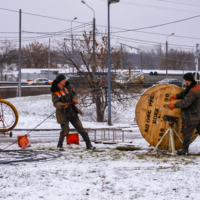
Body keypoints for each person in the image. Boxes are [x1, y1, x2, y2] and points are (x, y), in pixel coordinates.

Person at [50, 74, 96, 151]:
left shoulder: (67, 87)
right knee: (65, 131)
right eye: (63, 80)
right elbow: (55, 103)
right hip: (63, 114)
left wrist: (74, 99)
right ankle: (59, 145)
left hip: (72, 112)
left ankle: (89, 145)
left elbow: (74, 94)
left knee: (81, 130)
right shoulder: (55, 91)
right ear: (59, 81)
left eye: (65, 79)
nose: (65, 81)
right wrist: (62, 105)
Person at [168, 73, 200, 155]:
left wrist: (174, 105)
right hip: (197, 113)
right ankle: (184, 150)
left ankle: (184, 150)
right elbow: (185, 93)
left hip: (193, 115)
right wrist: (176, 96)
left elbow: (185, 102)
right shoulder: (193, 86)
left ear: (187, 81)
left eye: (184, 80)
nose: (183, 81)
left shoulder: (193, 91)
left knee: (187, 132)